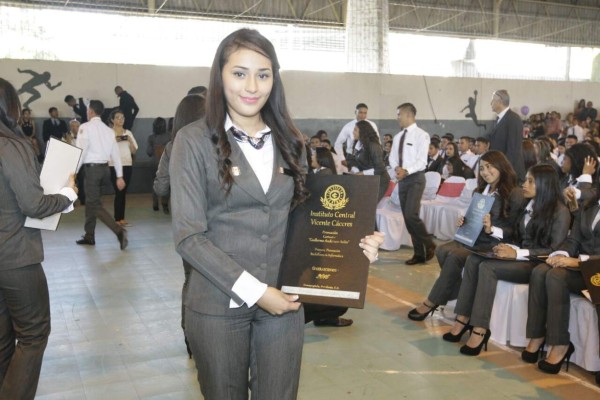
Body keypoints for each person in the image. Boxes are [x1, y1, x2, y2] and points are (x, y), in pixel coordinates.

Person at [169, 28, 383, 399]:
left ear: (274, 79)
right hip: (218, 306)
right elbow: (189, 237)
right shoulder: (193, 141)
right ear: (220, 76)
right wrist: (256, 292)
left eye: (263, 74)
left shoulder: (291, 141)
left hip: (284, 305)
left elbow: (303, 220)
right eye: (239, 73)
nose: (252, 85)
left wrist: (355, 244)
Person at [0, 77, 77, 399]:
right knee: (33, 335)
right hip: (16, 255)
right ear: (11, 107)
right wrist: (67, 195)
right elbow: (34, 204)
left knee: (3, 339)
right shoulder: (11, 145)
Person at [444, 164, 570, 356]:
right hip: (520, 256)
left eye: (530, 181)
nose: (524, 185)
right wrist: (491, 230)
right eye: (525, 179)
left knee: (487, 268)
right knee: (473, 260)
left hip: (537, 263)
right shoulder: (529, 205)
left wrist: (517, 253)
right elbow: (515, 233)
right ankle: (462, 317)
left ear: (544, 185)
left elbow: (553, 250)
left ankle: (480, 328)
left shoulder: (560, 212)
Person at [408, 151, 523, 320]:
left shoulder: (514, 193)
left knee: (455, 256)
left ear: (501, 166)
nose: (485, 172)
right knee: (442, 250)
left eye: (490, 167)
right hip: (473, 238)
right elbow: (475, 216)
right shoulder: (480, 190)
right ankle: (455, 292)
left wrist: (492, 229)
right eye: (482, 168)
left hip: (494, 243)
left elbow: (514, 231)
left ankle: (432, 302)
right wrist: (465, 221)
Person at [523, 184, 600, 374]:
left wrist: (578, 261)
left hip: (595, 268)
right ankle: (541, 336)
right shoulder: (590, 205)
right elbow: (574, 239)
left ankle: (560, 345)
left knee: (556, 277)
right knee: (541, 272)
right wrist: (561, 254)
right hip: (584, 268)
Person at [153, 93, 206, 358]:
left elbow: (160, 186)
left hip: (184, 227)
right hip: (213, 223)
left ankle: (189, 337)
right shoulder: (214, 142)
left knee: (190, 280)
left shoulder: (173, 146)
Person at [75, 100, 128, 250]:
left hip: (92, 170)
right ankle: (89, 235)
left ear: (90, 111)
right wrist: (119, 176)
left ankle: (119, 231)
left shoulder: (85, 127)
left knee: (94, 204)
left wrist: (73, 172)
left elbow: (81, 151)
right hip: (105, 170)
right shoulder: (108, 130)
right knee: (92, 202)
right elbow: (115, 154)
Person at [389, 103, 435, 265]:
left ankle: (429, 244)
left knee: (411, 214)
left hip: (415, 178)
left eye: (399, 114)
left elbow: (422, 161)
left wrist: (406, 170)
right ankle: (419, 253)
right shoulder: (397, 137)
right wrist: (396, 168)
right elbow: (392, 157)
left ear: (409, 115)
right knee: (408, 218)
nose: (397, 118)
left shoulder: (421, 135)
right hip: (403, 180)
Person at [346, 120, 390, 200]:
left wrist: (361, 173)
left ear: (363, 131)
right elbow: (354, 160)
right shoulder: (358, 143)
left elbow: (379, 169)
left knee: (369, 206)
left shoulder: (374, 146)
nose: (353, 132)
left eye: (355, 130)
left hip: (379, 181)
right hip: (368, 179)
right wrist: (354, 169)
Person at [488, 90, 526, 182]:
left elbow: (513, 150)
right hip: (500, 169)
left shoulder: (513, 119)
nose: (490, 103)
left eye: (492, 100)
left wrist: (504, 171)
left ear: (500, 101)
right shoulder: (499, 119)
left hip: (509, 172)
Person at [109, 109, 138, 226]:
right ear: (112, 120)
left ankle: (121, 218)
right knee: (118, 191)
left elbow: (134, 150)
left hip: (127, 164)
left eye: (122, 118)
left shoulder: (128, 133)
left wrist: (129, 140)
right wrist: (117, 139)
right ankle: (117, 218)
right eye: (117, 117)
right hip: (114, 165)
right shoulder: (109, 133)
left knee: (123, 191)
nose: (120, 120)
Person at [147, 117, 171, 213]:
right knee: (167, 183)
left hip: (154, 163)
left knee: (154, 182)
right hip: (166, 163)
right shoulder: (169, 136)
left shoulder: (151, 137)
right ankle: (165, 205)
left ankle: (155, 204)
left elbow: (148, 152)